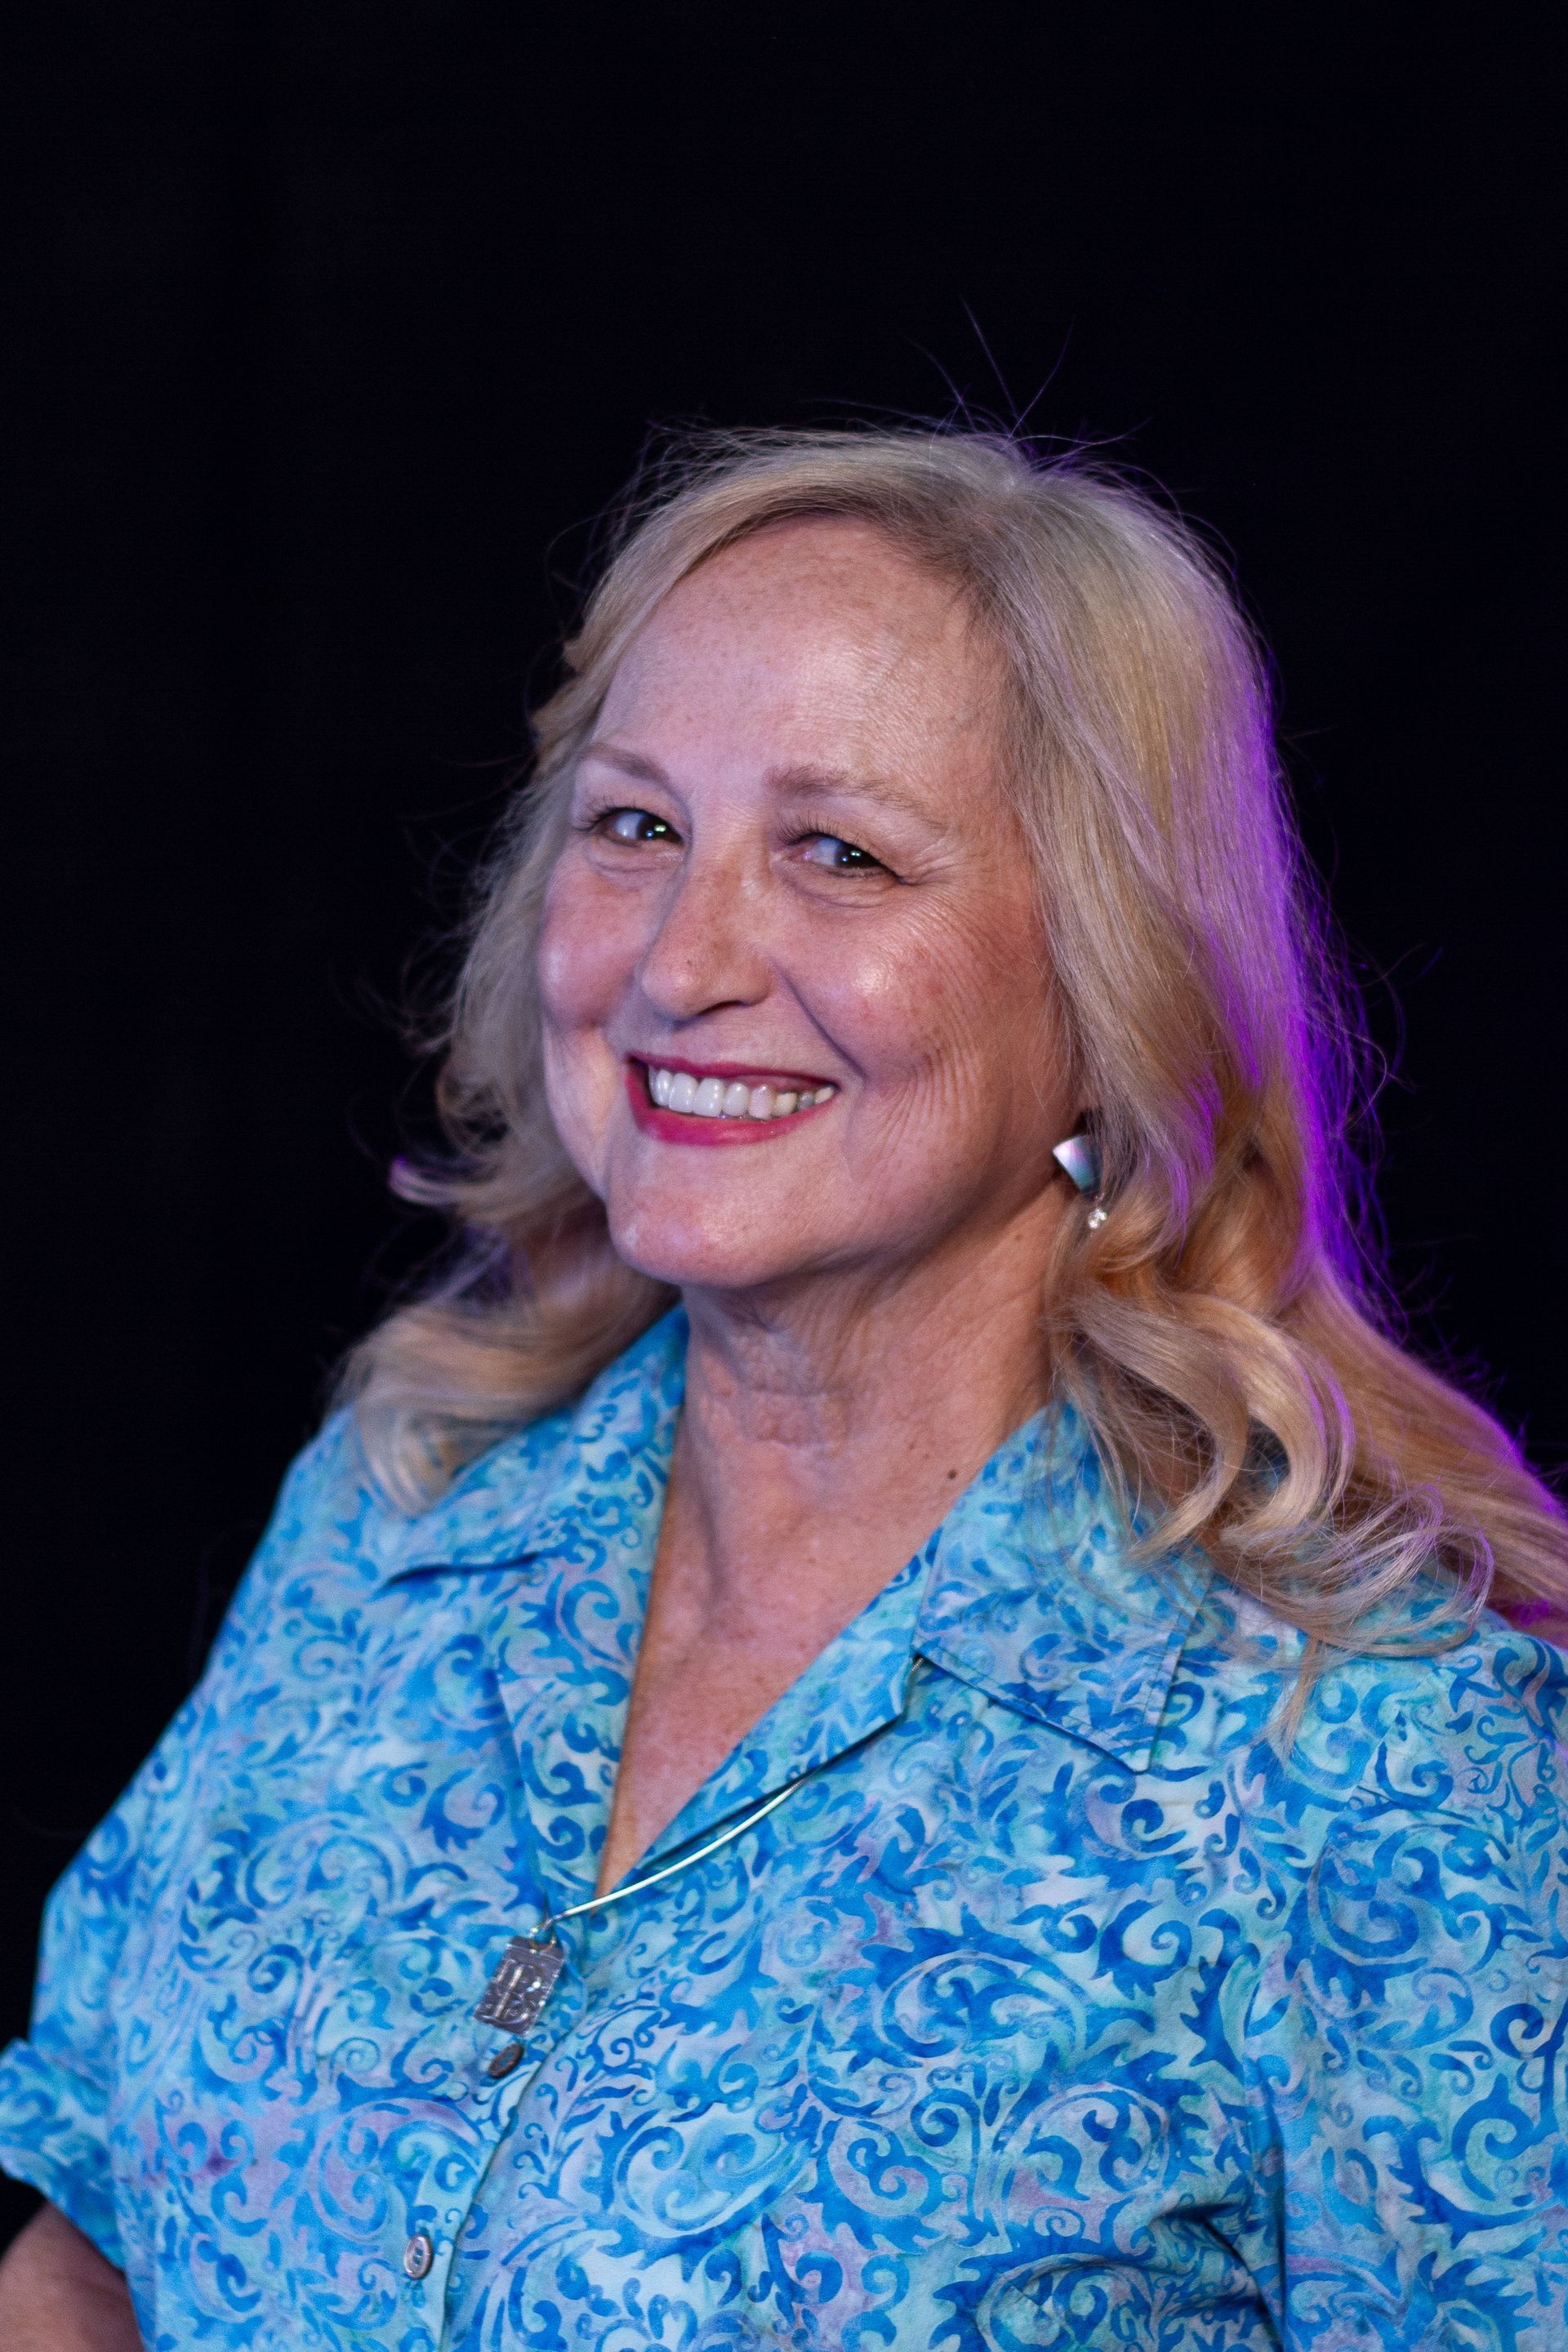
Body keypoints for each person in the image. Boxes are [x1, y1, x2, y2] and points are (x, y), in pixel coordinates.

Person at [2, 425, 1565, 2351]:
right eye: (636, 825)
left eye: (838, 853)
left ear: (1113, 989)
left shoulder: (1385, 1760)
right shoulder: (398, 1506)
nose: (683, 959)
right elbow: (89, 2238)